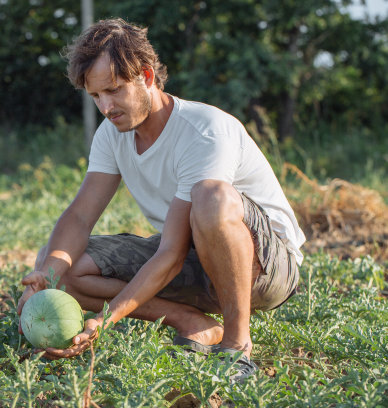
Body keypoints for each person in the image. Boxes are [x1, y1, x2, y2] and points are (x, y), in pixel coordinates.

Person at [16, 18, 305, 381]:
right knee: (61, 261)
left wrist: (107, 319)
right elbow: (79, 217)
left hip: (265, 270)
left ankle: (236, 347)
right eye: (96, 96)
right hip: (194, 259)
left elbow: (170, 253)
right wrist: (46, 275)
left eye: (115, 90)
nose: (106, 106)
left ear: (147, 77)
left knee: (210, 197)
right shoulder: (112, 133)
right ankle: (191, 321)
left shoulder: (203, 130)